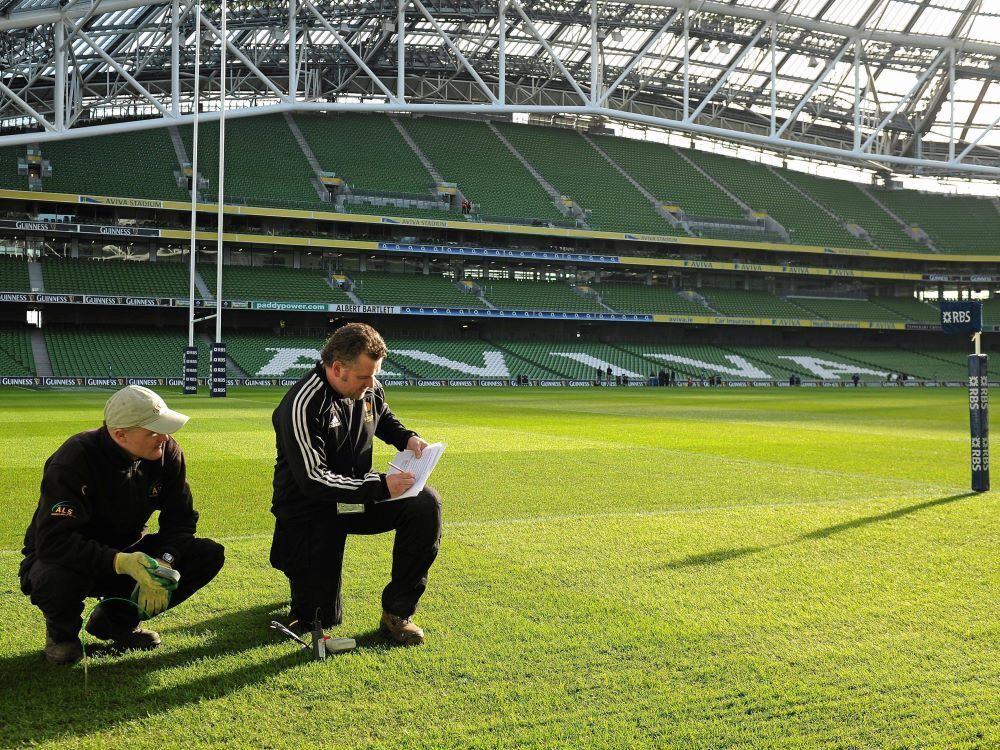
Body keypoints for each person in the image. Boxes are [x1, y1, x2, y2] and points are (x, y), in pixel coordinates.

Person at [19, 386, 225, 665]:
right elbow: (53, 542)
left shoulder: (168, 452)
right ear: (120, 435)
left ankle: (116, 621)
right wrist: (119, 562)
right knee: (52, 576)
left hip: (130, 550)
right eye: (154, 431)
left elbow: (181, 519)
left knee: (206, 554)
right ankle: (62, 635)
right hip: (73, 559)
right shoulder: (74, 459)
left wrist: (164, 561)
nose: (165, 437)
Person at [270, 323, 442, 646]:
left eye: (375, 375)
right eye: (365, 377)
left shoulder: (368, 387)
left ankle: (397, 613)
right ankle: (301, 581)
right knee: (318, 617)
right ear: (337, 368)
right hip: (312, 509)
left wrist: (406, 438)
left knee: (425, 504)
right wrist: (382, 486)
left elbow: (381, 415)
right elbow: (313, 479)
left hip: (357, 499)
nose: (372, 384)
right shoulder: (302, 404)